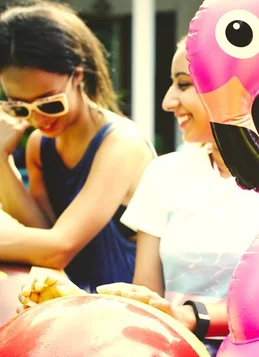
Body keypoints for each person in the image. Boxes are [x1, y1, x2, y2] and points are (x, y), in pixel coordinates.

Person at [19, 36, 259, 357]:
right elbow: (147, 303)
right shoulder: (163, 174)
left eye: (183, 84)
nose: (168, 101)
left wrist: (190, 318)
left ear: (237, 87)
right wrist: (76, 301)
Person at [0, 1, 155, 292]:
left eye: (49, 103)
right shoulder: (40, 145)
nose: (38, 118)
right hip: (66, 305)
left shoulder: (121, 143)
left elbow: (59, 248)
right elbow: (39, 237)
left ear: (78, 76)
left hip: (122, 312)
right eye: (20, 108)